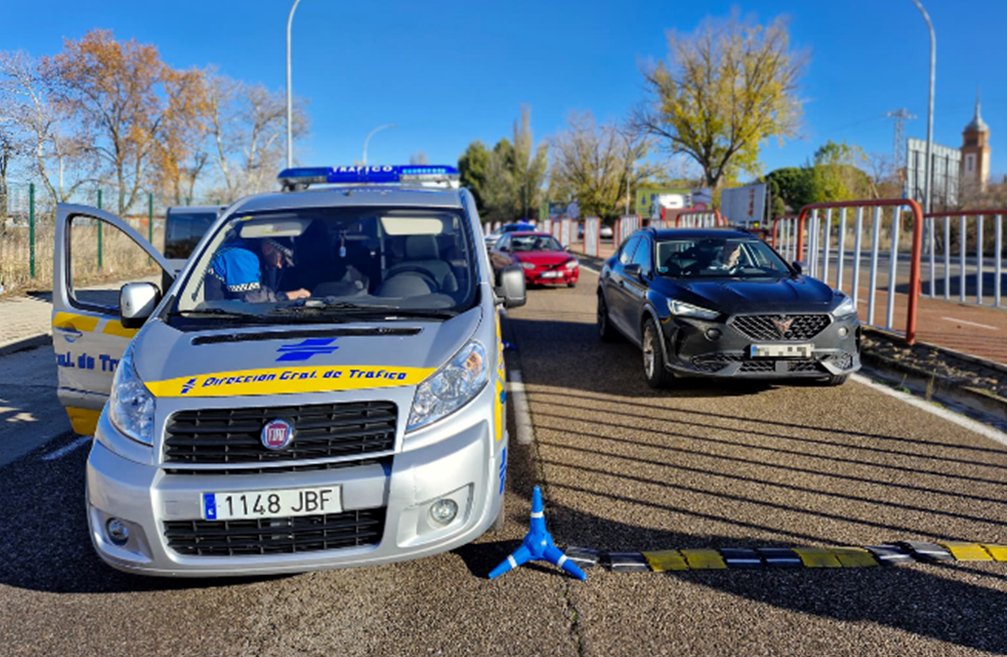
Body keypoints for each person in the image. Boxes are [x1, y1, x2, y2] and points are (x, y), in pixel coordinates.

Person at [205, 238, 310, 302]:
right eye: (282, 259)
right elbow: (251, 300)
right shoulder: (241, 255)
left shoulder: (255, 257)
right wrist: (289, 296)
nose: (280, 266)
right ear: (267, 248)